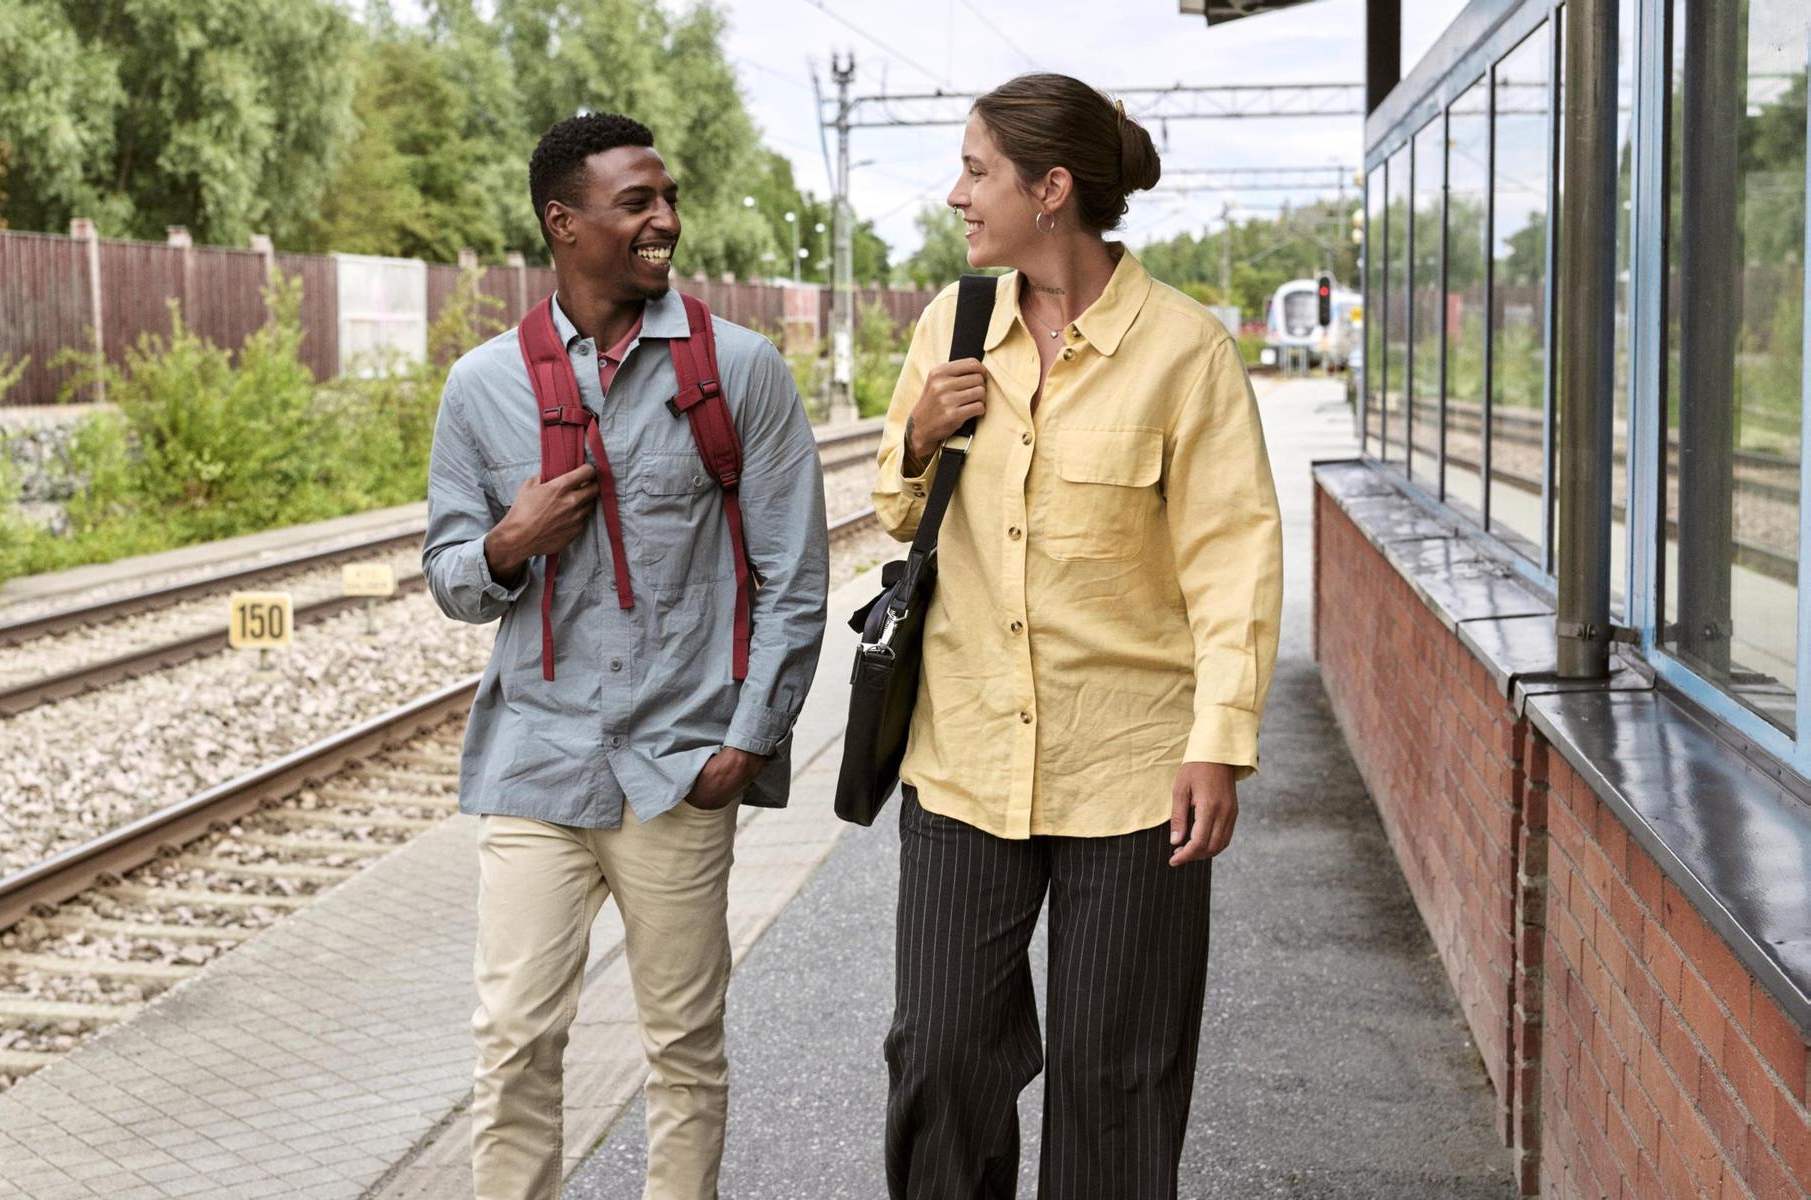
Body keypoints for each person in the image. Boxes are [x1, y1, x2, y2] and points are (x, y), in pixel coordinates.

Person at [871, 73, 1283, 1198]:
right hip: (963, 762)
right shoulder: (952, 325)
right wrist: (915, 434)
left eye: (975, 170)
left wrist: (1219, 740)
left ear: (1049, 191)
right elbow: (900, 512)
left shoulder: (1185, 354)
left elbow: (1231, 560)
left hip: (1133, 771)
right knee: (941, 1055)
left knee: (1117, 1080)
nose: (955, 194)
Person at [422, 112, 828, 1200]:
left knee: (682, 1048)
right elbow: (450, 577)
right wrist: (508, 545)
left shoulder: (740, 373)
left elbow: (795, 580)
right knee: (510, 1041)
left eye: (666, 199)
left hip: (679, 766)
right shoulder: (480, 388)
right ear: (563, 224)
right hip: (537, 761)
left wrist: (744, 744)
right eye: (635, 204)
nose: (665, 222)